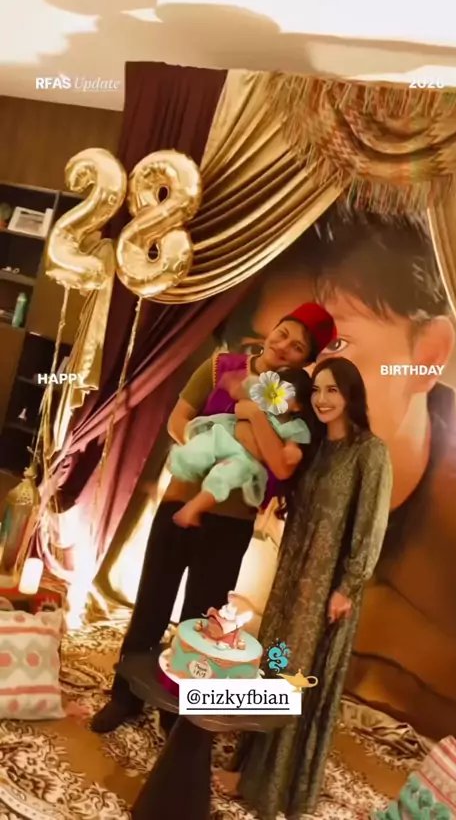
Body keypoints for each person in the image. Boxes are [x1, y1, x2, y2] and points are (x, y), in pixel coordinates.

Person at [214, 208, 456, 743]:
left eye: (336, 344)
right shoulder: (291, 455)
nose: (300, 378)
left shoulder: (450, 510)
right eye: (281, 349)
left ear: (427, 356)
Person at [90, 302, 336, 733]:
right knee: (151, 603)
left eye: (298, 347)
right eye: (283, 333)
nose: (284, 346)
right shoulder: (222, 366)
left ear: (306, 361)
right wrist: (209, 448)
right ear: (272, 330)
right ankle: (124, 697)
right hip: (180, 502)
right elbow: (178, 419)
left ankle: (177, 710)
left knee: (200, 621)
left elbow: (280, 464)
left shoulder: (295, 405)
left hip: (232, 523)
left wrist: (250, 423)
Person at [217, 356, 393, 820]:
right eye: (316, 390)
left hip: (325, 593)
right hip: (291, 582)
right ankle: (249, 767)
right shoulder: (315, 448)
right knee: (274, 664)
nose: (322, 399)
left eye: (332, 390)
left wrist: (348, 587)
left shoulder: (370, 452)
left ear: (351, 395)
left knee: (296, 676)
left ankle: (272, 785)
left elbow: (371, 527)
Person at [169, 368, 313, 528]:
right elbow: (240, 392)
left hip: (245, 458)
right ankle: (178, 465)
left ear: (297, 407)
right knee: (201, 446)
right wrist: (234, 385)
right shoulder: (259, 399)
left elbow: (293, 446)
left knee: (224, 477)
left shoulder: (292, 426)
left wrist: (293, 451)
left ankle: (193, 508)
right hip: (226, 435)